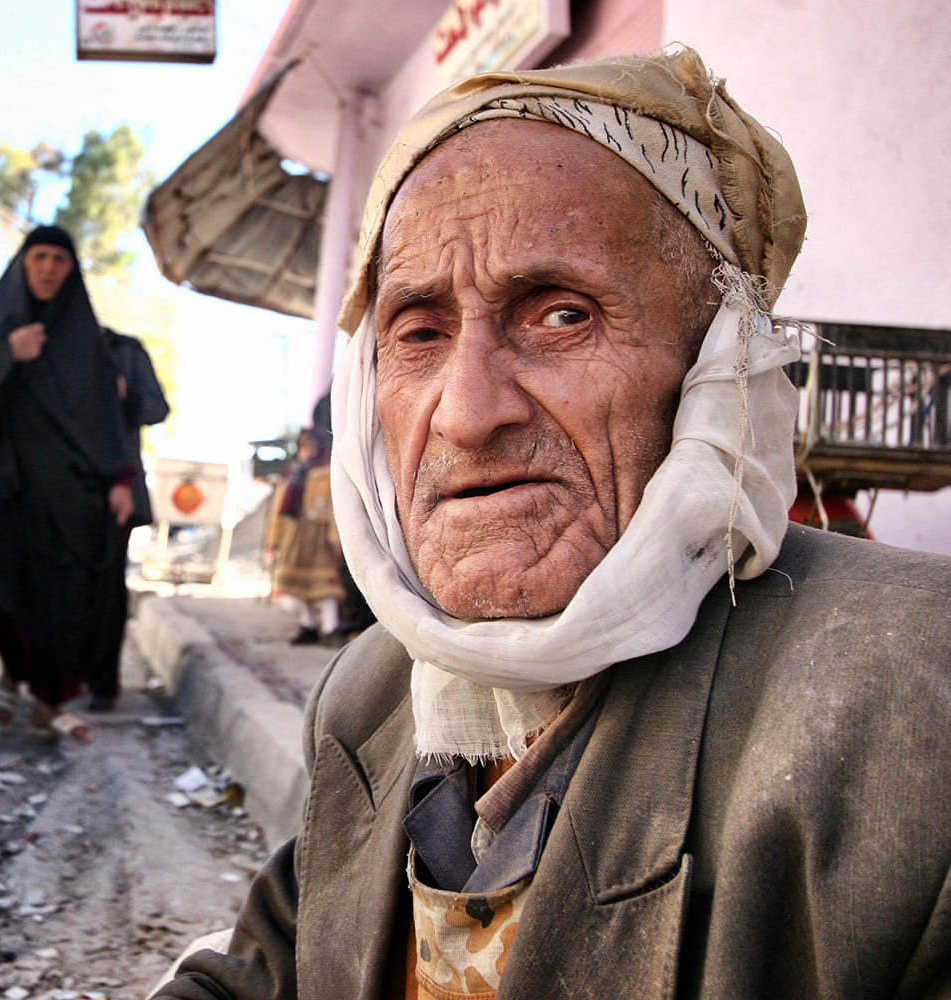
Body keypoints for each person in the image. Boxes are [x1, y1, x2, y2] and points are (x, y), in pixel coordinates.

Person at [155, 48, 951, 999]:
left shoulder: (915, 708)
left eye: (561, 316)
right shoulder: (373, 694)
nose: (466, 412)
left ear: (715, 370)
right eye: (419, 333)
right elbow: (274, 962)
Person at [0, 225, 135, 743]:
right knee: (5, 585)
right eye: (41, 256)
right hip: (1, 490)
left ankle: (45, 695)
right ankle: (19, 675)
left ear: (72, 269)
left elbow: (105, 415)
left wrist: (121, 478)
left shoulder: (86, 341)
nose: (50, 267)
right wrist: (5, 354)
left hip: (66, 495)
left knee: (65, 594)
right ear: (23, 263)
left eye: (60, 258)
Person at [83, 326, 170, 712]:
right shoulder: (47, 342)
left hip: (114, 488)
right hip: (57, 488)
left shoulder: (126, 349)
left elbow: (157, 408)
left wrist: (125, 396)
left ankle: (103, 683)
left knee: (105, 586)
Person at [266, 425, 347, 646]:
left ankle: (330, 628)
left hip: (317, 539)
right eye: (303, 446)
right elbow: (278, 512)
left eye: (311, 445)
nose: (307, 450)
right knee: (292, 586)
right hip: (292, 538)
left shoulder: (327, 474)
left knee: (324, 586)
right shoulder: (291, 473)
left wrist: (336, 538)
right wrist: (274, 540)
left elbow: (334, 508)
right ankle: (308, 625)